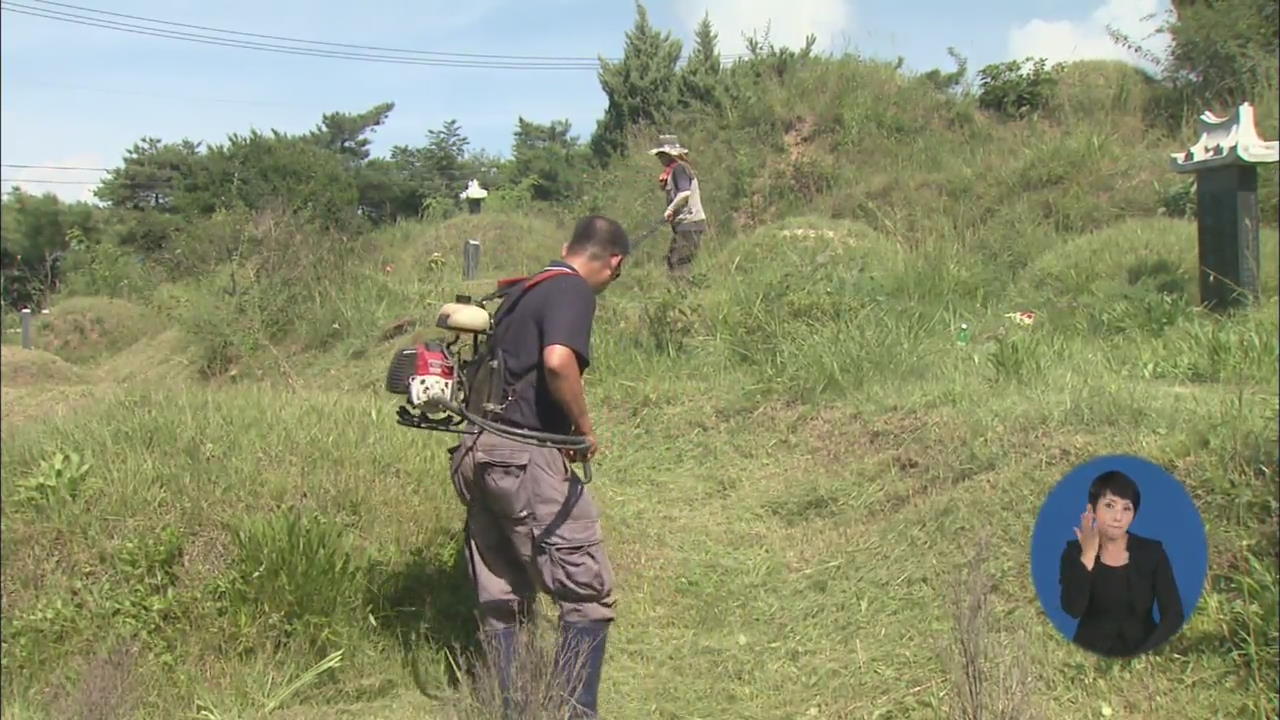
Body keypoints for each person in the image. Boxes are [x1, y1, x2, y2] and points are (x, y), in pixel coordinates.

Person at [447, 215, 629, 719]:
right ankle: (573, 713)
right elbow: (556, 361)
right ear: (613, 262)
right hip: (522, 456)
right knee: (584, 589)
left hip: (477, 448)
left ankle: (517, 708)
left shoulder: (522, 291)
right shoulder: (572, 291)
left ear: (566, 244)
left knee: (502, 593)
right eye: (617, 274)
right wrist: (583, 428)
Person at [1058, 470, 1185, 657]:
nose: (1118, 517)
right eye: (1110, 506)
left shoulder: (1152, 553)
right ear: (1091, 510)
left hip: (1144, 652)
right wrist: (1088, 555)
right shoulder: (1073, 553)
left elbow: (1173, 614)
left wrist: (1145, 655)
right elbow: (1073, 609)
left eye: (1126, 508)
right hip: (1090, 656)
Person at [649, 134, 707, 278]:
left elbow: (685, 193)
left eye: (661, 155)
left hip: (690, 223)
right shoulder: (674, 171)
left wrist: (670, 209)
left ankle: (683, 295)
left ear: (670, 155)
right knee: (672, 260)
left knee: (678, 262)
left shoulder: (680, 169)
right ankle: (682, 293)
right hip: (685, 224)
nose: (659, 158)